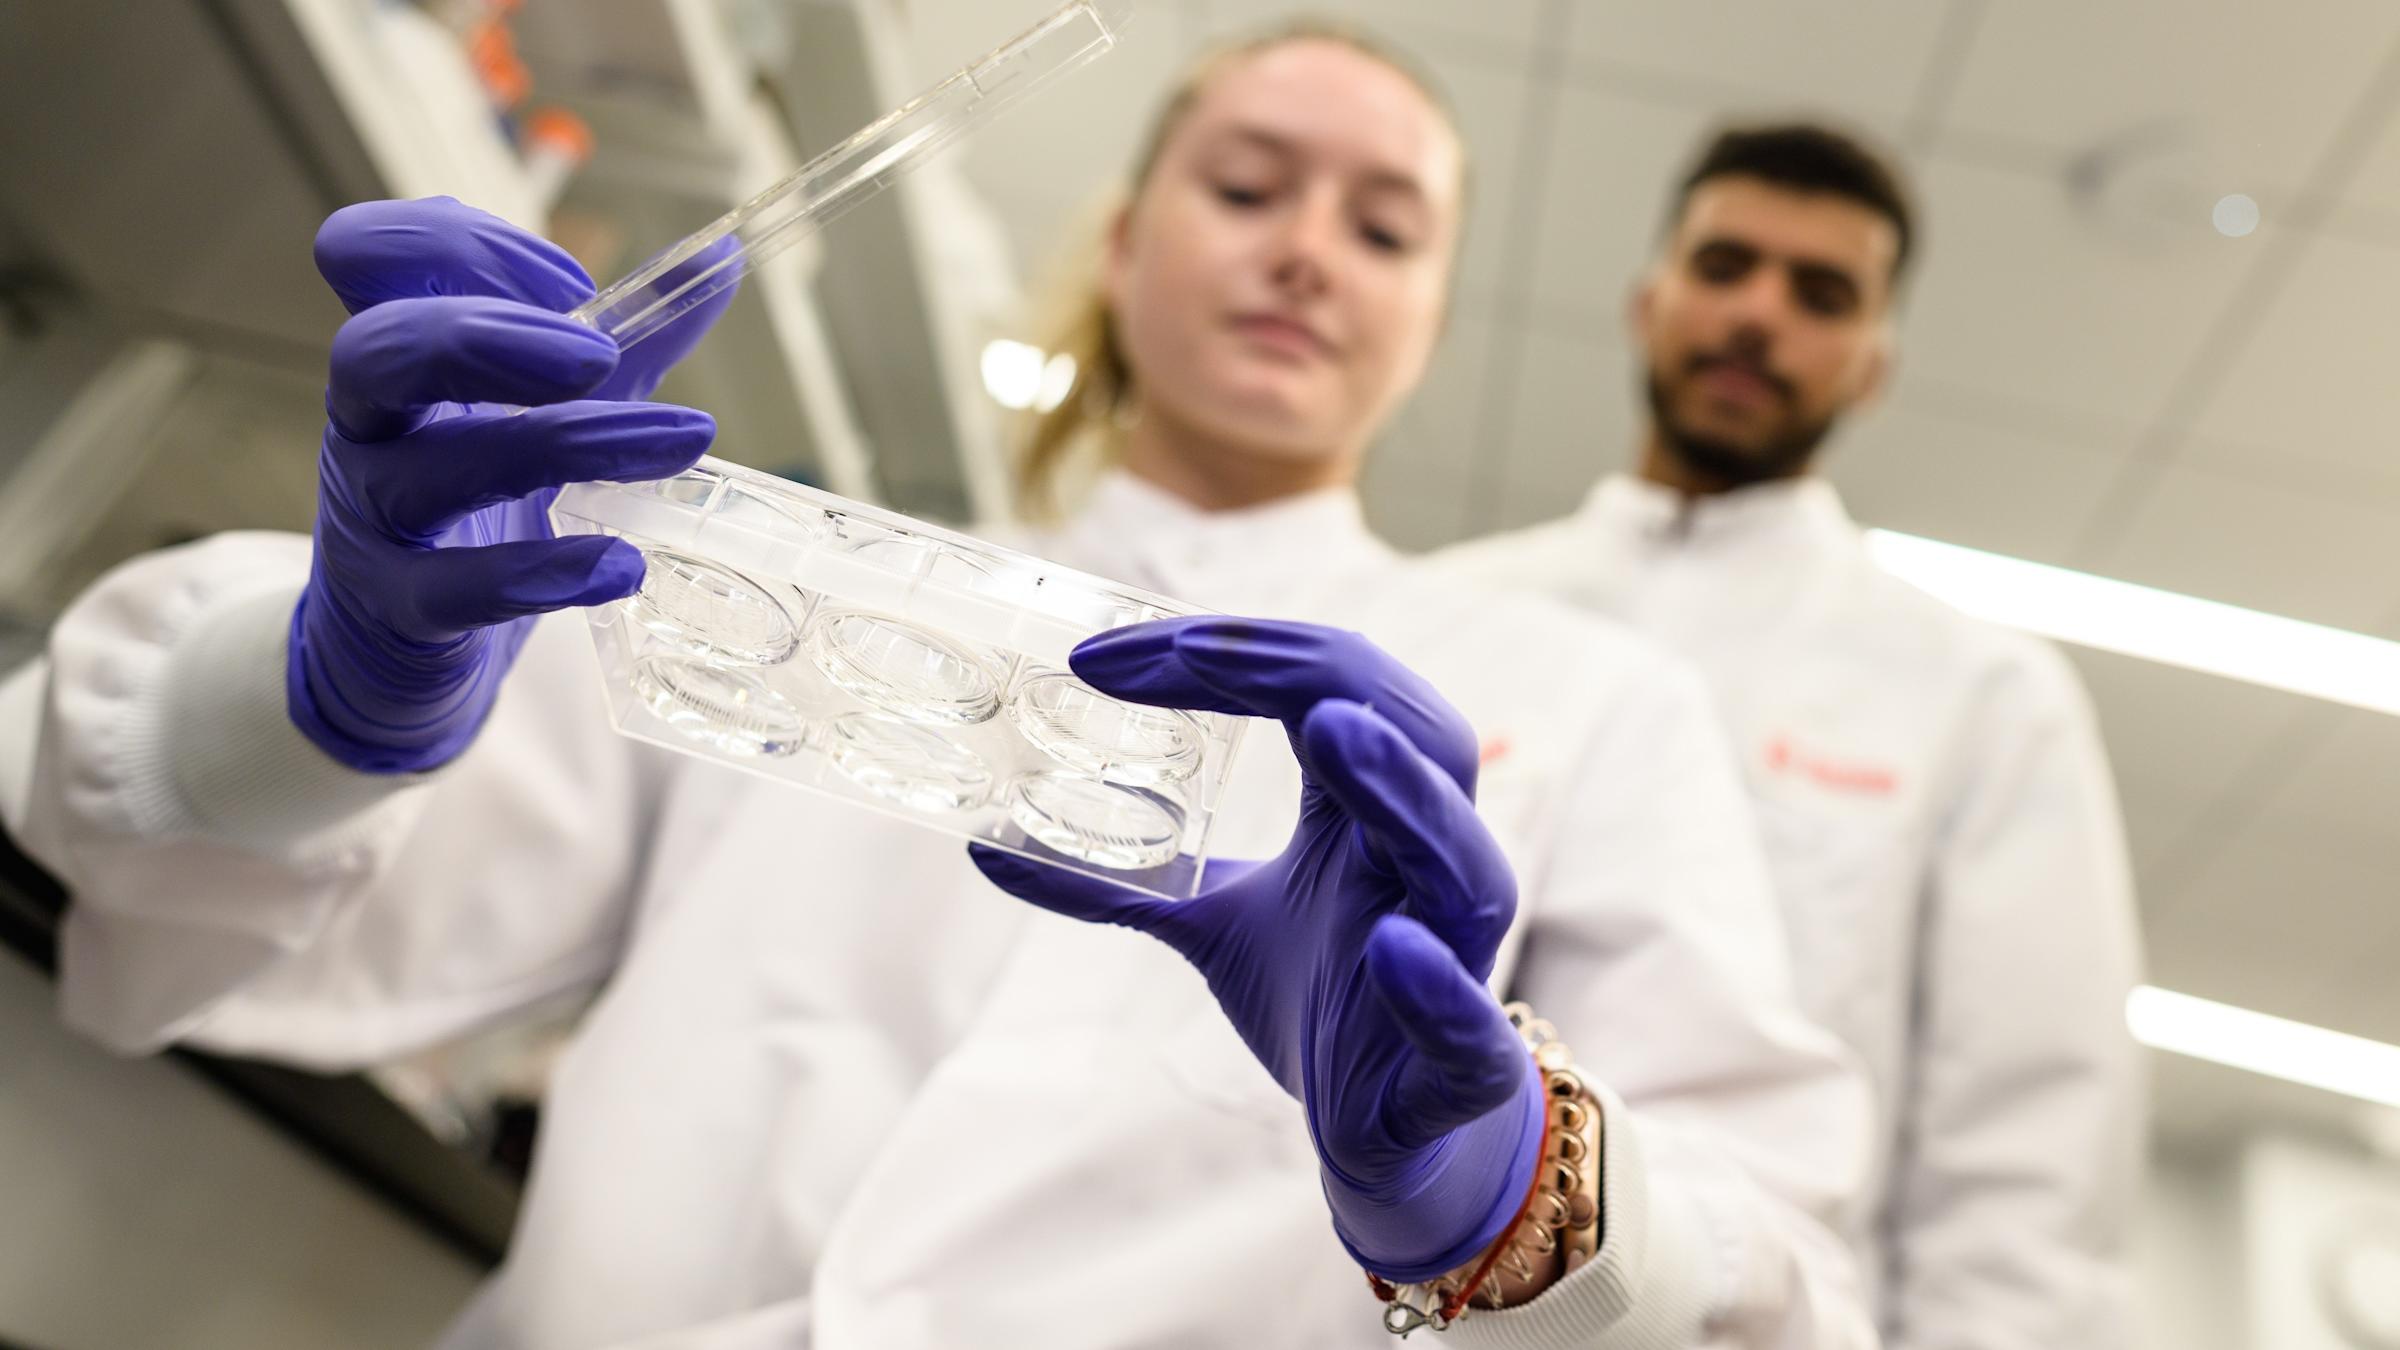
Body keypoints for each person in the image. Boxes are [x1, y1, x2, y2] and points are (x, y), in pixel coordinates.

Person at [2, 32, 1874, 1349]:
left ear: (1428, 328)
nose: (1308, 246)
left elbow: (1778, 1263)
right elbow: (231, 898)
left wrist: (1504, 1193)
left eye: (1384, 229)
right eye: (1245, 185)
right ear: (1124, 249)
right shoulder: (801, 591)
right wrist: (333, 697)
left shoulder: (1583, 702)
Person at [1438, 122, 2146, 1349]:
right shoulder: (1449, 616)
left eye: (1822, 294)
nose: (1760, 314)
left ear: (1873, 364)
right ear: (1647, 300)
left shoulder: (1978, 695)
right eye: (1725, 268)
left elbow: (2025, 1157)